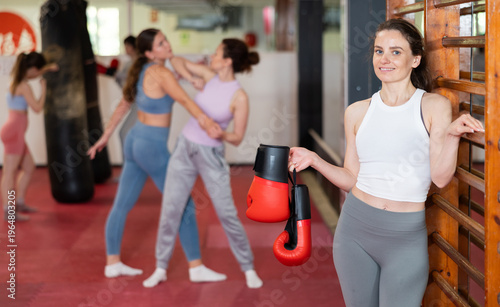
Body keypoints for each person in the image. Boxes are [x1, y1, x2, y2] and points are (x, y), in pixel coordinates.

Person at [288, 18, 484, 307]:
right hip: (354, 230)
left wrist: (453, 136)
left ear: (415, 59)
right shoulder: (356, 112)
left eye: (396, 51)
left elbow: (440, 178)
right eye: (379, 51)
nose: (384, 59)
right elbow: (350, 178)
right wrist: (314, 160)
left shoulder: (433, 106)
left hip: (405, 236)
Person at [87, 28, 227, 281]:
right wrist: (208, 123)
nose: (167, 44)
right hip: (151, 147)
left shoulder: (143, 70)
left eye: (165, 40)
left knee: (121, 205)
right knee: (184, 204)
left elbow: (124, 104)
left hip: (134, 141)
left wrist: (106, 137)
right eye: (161, 43)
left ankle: (112, 263)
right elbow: (184, 100)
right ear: (150, 52)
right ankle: (196, 268)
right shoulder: (161, 73)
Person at [142, 38, 263, 289]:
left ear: (227, 61)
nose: (212, 57)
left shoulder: (239, 97)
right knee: (170, 210)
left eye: (217, 53)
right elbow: (176, 60)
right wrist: (190, 77)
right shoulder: (208, 76)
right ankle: (160, 267)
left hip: (211, 156)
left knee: (226, 213)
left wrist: (222, 134)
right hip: (184, 148)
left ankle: (248, 267)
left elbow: (238, 138)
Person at [1, 52, 58, 221]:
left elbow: (35, 72)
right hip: (15, 132)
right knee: (9, 173)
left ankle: (19, 202)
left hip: (14, 130)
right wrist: (44, 89)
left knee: (29, 167)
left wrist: (47, 68)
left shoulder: (16, 78)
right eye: (38, 71)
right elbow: (37, 108)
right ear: (32, 69)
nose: (38, 74)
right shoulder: (24, 86)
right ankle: (8, 211)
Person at [115, 35, 139, 155]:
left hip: (142, 106)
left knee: (125, 133)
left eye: (126, 46)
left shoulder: (138, 64)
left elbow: (131, 83)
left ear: (130, 47)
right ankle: (129, 171)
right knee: (125, 134)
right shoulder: (129, 63)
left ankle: (129, 172)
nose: (125, 49)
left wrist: (115, 74)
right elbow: (126, 85)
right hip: (135, 104)